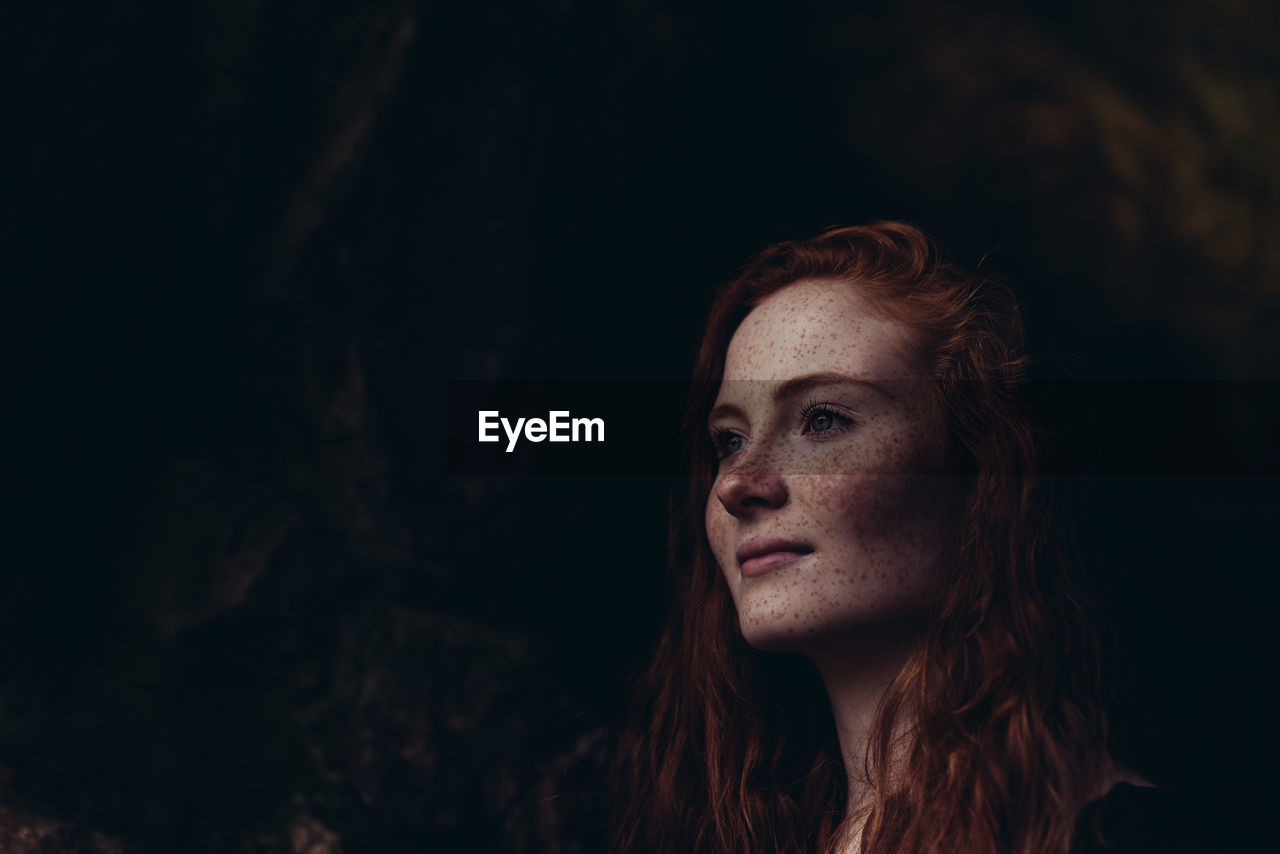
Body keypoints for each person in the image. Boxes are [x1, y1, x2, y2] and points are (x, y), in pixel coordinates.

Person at [611, 222, 1179, 854]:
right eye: (729, 440)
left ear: (974, 468)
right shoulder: (732, 832)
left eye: (822, 420)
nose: (737, 484)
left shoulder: (1105, 837)